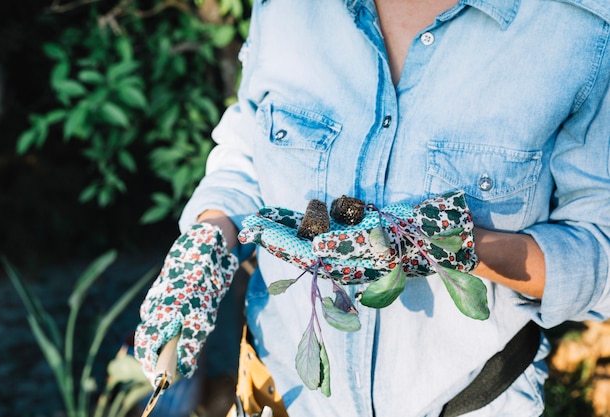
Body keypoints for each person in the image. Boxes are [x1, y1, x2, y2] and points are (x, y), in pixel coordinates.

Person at [134, 1, 610, 416]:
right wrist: (206, 245)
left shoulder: (578, 31)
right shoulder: (286, 10)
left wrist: (444, 244)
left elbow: (599, 254)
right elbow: (251, 149)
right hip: (282, 394)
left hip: (473, 399)